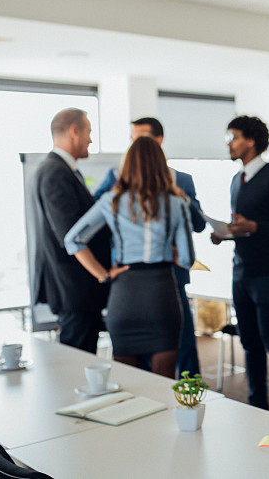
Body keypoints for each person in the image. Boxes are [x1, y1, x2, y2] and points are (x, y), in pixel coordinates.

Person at [64, 136, 194, 378]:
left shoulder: (110, 201)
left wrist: (103, 274)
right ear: (160, 164)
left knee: (127, 385)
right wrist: (169, 250)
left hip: (125, 297)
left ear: (128, 165)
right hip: (161, 296)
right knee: (163, 383)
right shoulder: (177, 203)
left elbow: (72, 240)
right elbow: (187, 259)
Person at [95, 117, 206, 378]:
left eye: (142, 137)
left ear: (159, 140)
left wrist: (181, 201)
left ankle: (191, 398)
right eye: (133, 138)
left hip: (171, 278)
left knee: (185, 348)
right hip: (128, 276)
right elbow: (97, 214)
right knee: (144, 369)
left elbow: (199, 224)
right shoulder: (115, 180)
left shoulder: (182, 181)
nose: (137, 143)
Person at [211, 115, 269, 419]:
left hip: (268, 272)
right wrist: (225, 232)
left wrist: (254, 226)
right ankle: (257, 406)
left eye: (232, 137)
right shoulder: (237, 180)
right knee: (249, 342)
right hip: (241, 271)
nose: (229, 144)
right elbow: (243, 226)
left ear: (250, 141)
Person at [28, 108, 112, 353]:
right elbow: (72, 236)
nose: (90, 140)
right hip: (74, 290)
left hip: (76, 290)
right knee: (79, 362)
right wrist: (102, 274)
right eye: (88, 132)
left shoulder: (57, 169)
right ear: (74, 131)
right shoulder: (54, 172)